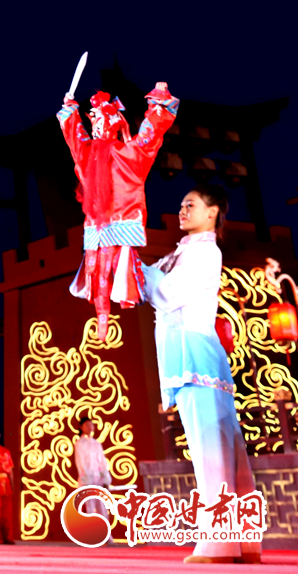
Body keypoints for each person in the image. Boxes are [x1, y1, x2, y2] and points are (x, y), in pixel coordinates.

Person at [141, 185, 260, 564]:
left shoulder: (205, 252)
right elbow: (148, 284)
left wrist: (138, 271)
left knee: (211, 453)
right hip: (187, 354)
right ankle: (245, 543)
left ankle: (219, 545)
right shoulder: (182, 253)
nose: (182, 210)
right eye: (180, 205)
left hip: (195, 354)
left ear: (213, 212)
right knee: (226, 452)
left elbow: (164, 294)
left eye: (190, 205)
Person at [58, 81, 179, 340]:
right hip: (98, 227)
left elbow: (149, 135)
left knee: (119, 272)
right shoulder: (88, 155)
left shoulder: (129, 153)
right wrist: (70, 110)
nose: (96, 124)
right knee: (98, 276)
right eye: (94, 119)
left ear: (113, 122)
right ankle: (103, 319)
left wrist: (158, 101)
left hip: (122, 223)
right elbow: (75, 138)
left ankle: (121, 310)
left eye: (100, 119)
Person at [73, 417, 112, 520]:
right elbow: (80, 462)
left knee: (102, 508)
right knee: (89, 507)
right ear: (81, 427)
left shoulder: (96, 443)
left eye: (91, 425)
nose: (89, 427)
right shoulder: (79, 443)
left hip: (98, 479)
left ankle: (105, 529)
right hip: (87, 480)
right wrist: (87, 479)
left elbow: (102, 461)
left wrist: (105, 478)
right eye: (86, 425)